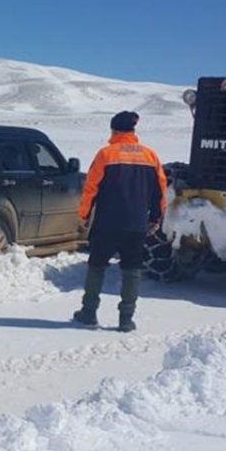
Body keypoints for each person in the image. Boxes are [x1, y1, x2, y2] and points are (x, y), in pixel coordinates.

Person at [72, 111, 167, 332]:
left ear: (114, 130)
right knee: (131, 270)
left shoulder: (106, 154)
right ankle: (126, 318)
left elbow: (90, 189)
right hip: (136, 224)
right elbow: (160, 191)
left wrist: (84, 216)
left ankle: (88, 312)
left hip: (106, 223)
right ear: (133, 131)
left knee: (96, 267)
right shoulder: (150, 156)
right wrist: (155, 218)